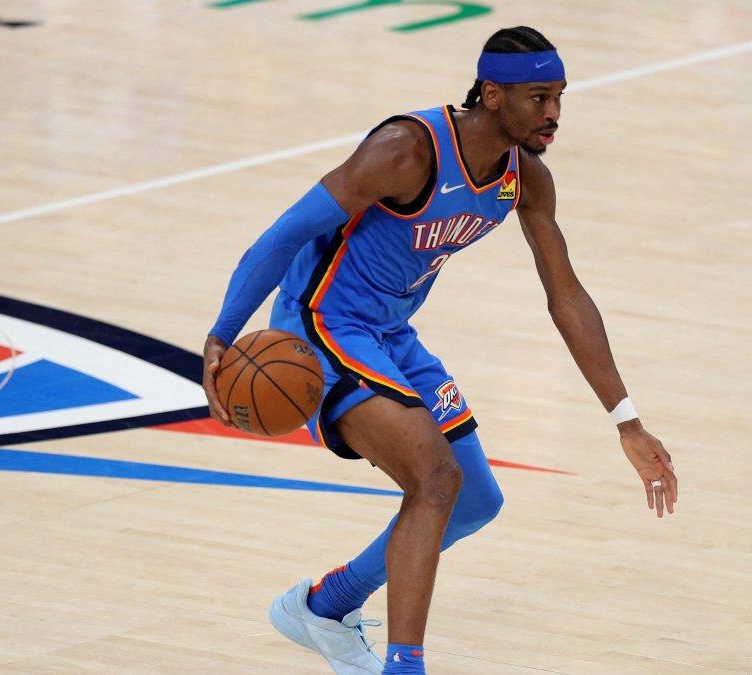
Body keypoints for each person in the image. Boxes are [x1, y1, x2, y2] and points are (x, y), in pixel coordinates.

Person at [202, 26, 678, 675]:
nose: (554, 113)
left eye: (560, 97)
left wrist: (627, 420)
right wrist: (222, 334)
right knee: (434, 478)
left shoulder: (525, 180)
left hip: (390, 332)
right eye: (540, 97)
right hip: (321, 324)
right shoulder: (407, 150)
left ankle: (325, 607)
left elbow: (566, 296)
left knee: (475, 499)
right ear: (492, 94)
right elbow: (286, 233)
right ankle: (405, 666)